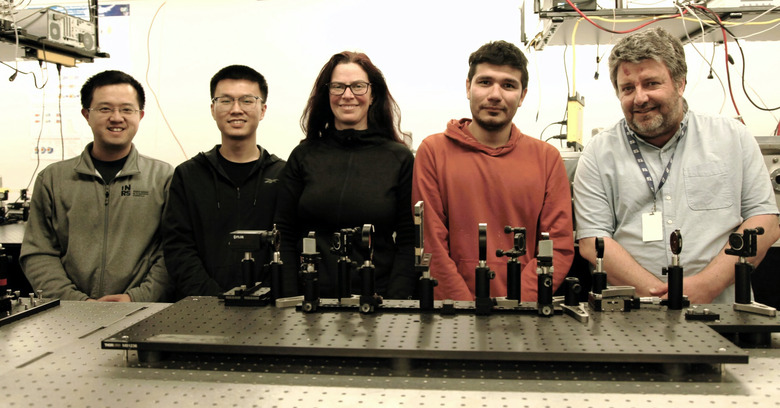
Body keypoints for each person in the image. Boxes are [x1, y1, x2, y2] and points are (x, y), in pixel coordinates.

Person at [572, 27, 780, 304]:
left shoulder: (732, 137)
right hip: (630, 318)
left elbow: (764, 221)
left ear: (680, 83)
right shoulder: (599, 153)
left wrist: (706, 286)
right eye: (628, 88)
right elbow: (592, 240)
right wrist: (659, 295)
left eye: (651, 84)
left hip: (722, 309)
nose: (640, 98)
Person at [412, 41, 574, 301]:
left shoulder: (547, 159)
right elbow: (431, 245)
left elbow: (558, 247)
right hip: (453, 314)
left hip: (523, 315)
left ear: (522, 96)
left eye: (508, 85)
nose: (495, 94)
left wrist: (516, 305)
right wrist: (463, 309)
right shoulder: (433, 151)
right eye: (485, 82)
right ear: (468, 87)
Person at [20, 70, 173, 302]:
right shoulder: (52, 179)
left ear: (140, 115)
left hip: (142, 311)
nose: (116, 117)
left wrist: (137, 297)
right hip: (68, 316)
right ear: (86, 114)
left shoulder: (164, 177)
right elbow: (39, 252)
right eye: (104, 109)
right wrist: (77, 303)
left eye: (126, 109)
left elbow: (172, 251)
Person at [275, 51, 415, 299]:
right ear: (327, 94)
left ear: (373, 95)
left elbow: (408, 241)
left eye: (358, 86)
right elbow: (284, 235)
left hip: (378, 301)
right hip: (310, 302)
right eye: (338, 86)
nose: (347, 95)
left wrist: (396, 304)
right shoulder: (303, 156)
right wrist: (289, 297)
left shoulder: (399, 159)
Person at [162, 65, 285, 300]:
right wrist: (212, 299)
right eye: (226, 101)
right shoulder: (188, 175)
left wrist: (266, 295)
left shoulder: (284, 174)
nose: (236, 110)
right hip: (203, 309)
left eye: (247, 100)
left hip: (270, 309)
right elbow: (178, 248)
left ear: (262, 109)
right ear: (213, 109)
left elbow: (288, 245)